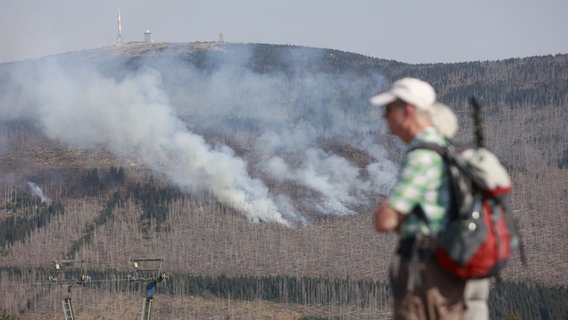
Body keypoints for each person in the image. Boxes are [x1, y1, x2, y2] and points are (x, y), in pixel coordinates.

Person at [370, 77, 466, 320]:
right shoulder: (444, 148)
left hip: (425, 273)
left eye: (388, 109)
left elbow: (385, 221)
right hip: (446, 270)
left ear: (408, 111)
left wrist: (385, 212)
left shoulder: (421, 156)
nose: (384, 117)